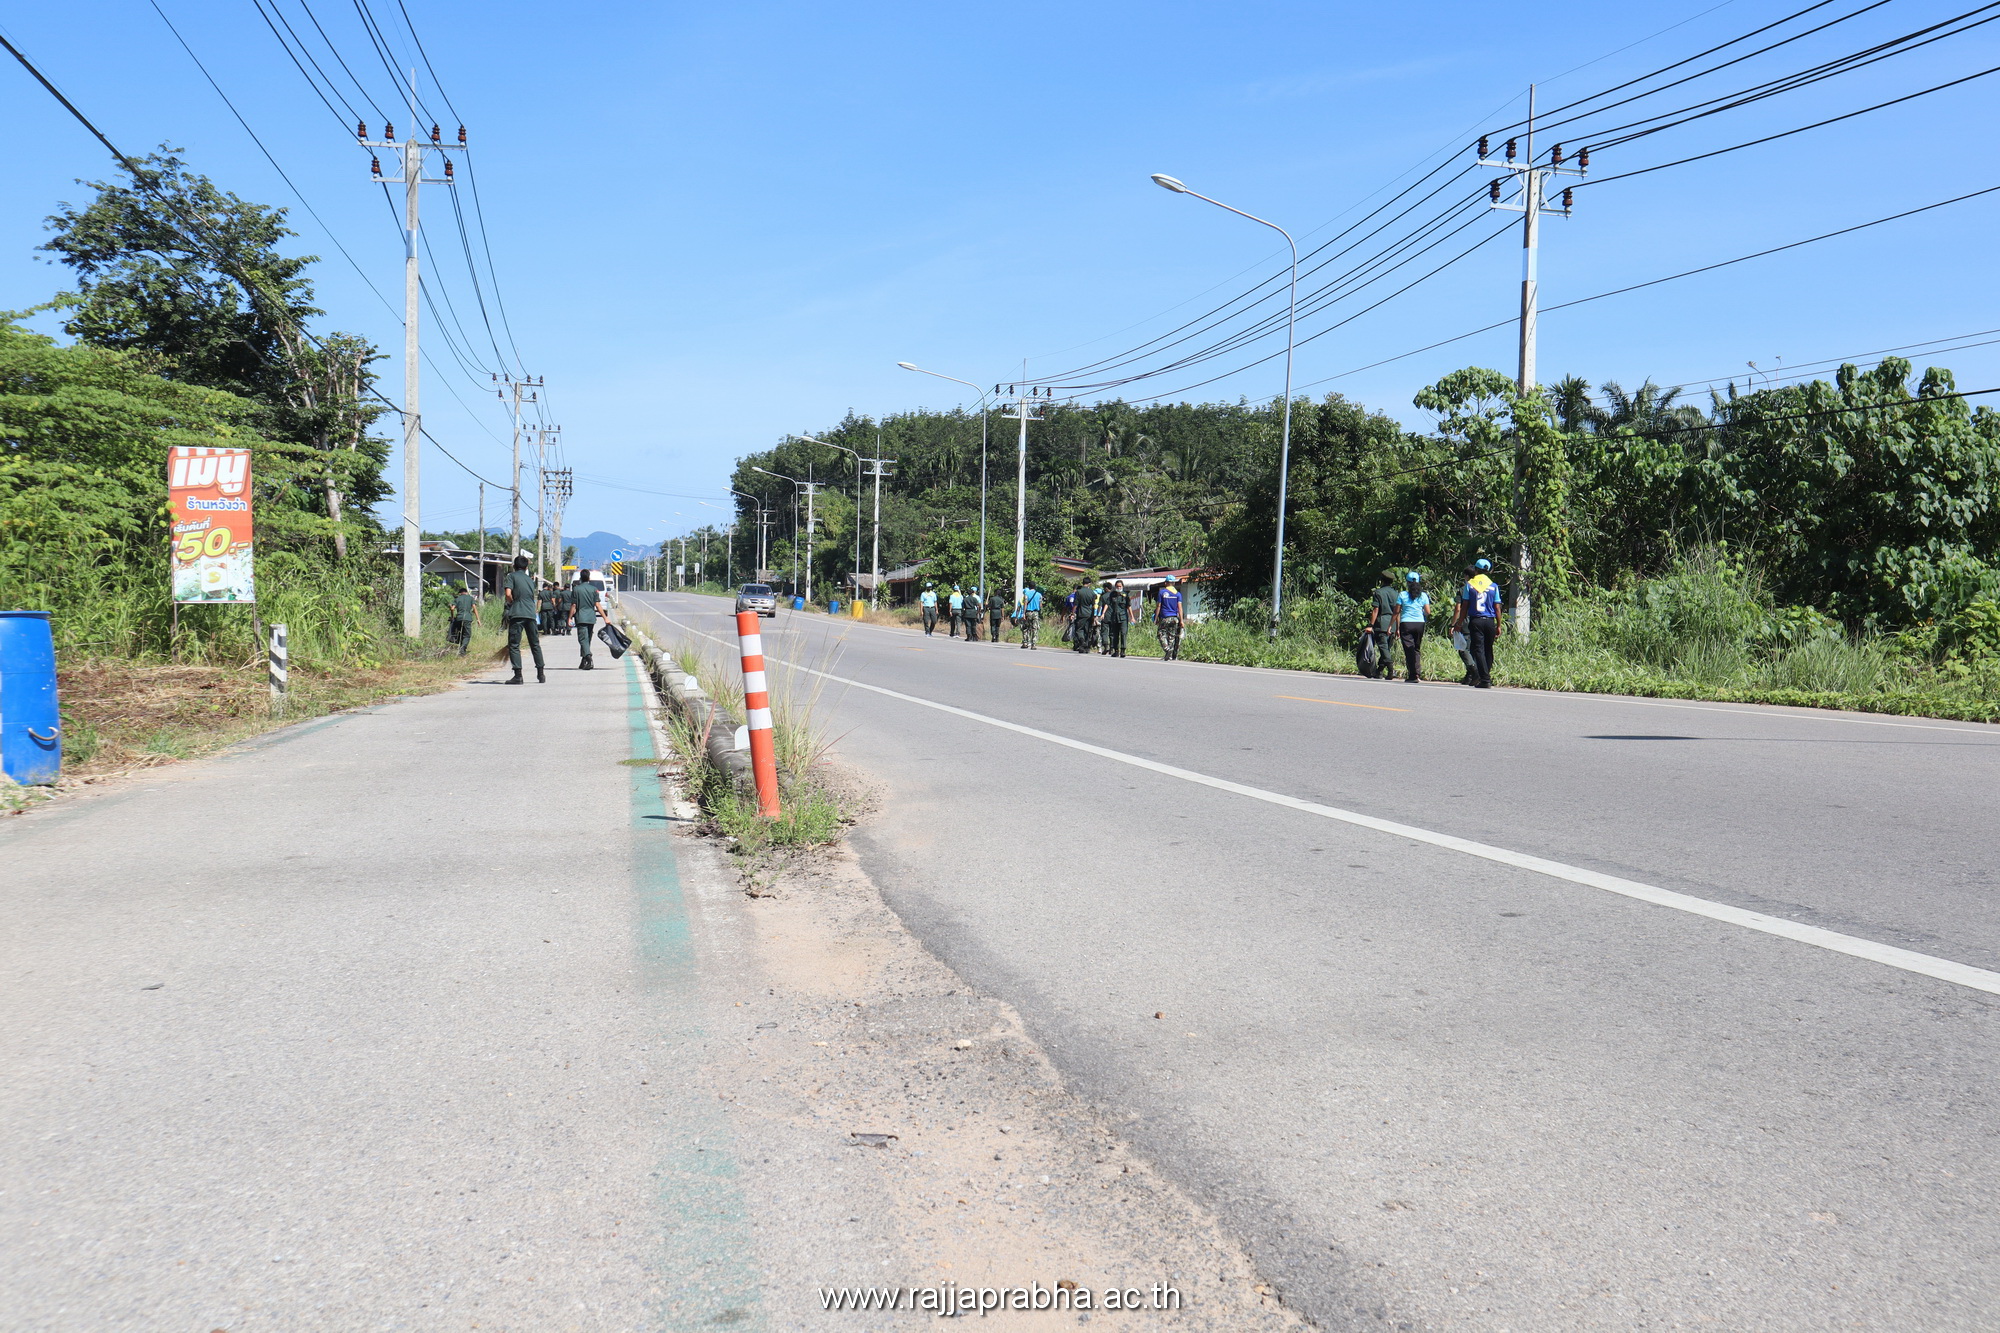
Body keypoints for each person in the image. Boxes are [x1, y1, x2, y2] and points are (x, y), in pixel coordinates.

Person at [1453, 557, 1503, 688]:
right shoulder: (1493, 586)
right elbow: (1497, 607)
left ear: (1475, 570)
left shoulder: (1470, 585)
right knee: (1488, 649)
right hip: (1490, 621)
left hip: (1476, 620)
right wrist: (1499, 625)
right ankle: (1486, 676)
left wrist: (1459, 623)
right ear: (1489, 571)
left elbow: (1464, 606)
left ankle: (1484, 679)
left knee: (1478, 650)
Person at [502, 554, 545, 684]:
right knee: (535, 644)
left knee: (514, 645)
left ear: (514, 566)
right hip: (531, 613)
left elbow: (508, 594)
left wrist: (512, 602)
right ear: (526, 567)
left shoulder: (511, 576)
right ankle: (541, 674)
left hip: (517, 613)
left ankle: (518, 675)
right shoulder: (530, 580)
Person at [1364, 568, 1401, 679]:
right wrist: (1398, 627)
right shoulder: (1396, 594)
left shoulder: (1378, 592)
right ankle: (1379, 671)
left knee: (1384, 648)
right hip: (1392, 624)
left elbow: (1376, 609)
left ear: (1382, 580)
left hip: (1382, 624)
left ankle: (1391, 669)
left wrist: (1370, 625)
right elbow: (1398, 612)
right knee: (1386, 649)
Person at [1396, 570, 1431, 683]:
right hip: (1420, 623)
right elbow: (1428, 612)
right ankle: (1417, 673)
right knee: (1416, 648)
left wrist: (1395, 626)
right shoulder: (1423, 595)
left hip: (1406, 623)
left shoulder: (1402, 595)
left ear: (1407, 582)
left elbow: (1397, 612)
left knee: (1408, 649)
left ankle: (1413, 674)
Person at [570, 568, 605, 670]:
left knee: (583, 639)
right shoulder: (594, 589)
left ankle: (588, 658)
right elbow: (598, 605)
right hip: (591, 618)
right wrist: (605, 618)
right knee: (587, 639)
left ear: (580, 578)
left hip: (581, 617)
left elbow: (573, 605)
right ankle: (584, 660)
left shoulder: (576, 589)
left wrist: (569, 617)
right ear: (589, 578)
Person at [1156, 578, 1185, 661]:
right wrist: (1181, 620)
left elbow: (1158, 606)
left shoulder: (1162, 592)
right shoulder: (1178, 594)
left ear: (1166, 583)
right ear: (1174, 583)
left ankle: (1167, 649)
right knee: (1171, 636)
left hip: (1165, 617)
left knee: (1161, 634)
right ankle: (1170, 655)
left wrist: (1156, 618)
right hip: (1175, 618)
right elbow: (1180, 608)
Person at [1101, 579, 1131, 657]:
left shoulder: (1126, 595)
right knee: (1115, 634)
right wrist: (1103, 613)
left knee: (1123, 633)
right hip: (1114, 617)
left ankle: (1123, 650)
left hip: (1123, 618)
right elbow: (1107, 604)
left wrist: (1132, 617)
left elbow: (1129, 606)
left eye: (1120, 586)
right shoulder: (1112, 595)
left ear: (1122, 586)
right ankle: (1116, 650)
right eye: (1117, 586)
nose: (1119, 588)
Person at [1071, 582, 1100, 653]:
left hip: (1081, 613)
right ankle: (1086, 647)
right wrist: (1094, 615)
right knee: (1087, 630)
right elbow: (1093, 605)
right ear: (1089, 583)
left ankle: (1082, 641)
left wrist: (1073, 613)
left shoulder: (1079, 592)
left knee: (1079, 629)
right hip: (1089, 613)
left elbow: (1076, 604)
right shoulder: (1092, 592)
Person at [448, 586, 476, 656]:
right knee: (467, 635)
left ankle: (461, 650)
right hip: (467, 618)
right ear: (466, 592)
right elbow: (474, 608)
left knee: (460, 634)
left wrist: (452, 617)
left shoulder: (457, 599)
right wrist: (478, 619)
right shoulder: (470, 598)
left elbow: (452, 609)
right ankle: (462, 649)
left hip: (459, 618)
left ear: (460, 593)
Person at [1016, 584, 1043, 649]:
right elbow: (1040, 605)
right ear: (1035, 587)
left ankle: (1025, 643)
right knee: (1035, 628)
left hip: (1028, 612)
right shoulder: (1039, 595)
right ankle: (1033, 644)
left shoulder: (1026, 594)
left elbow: (1025, 603)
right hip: (1035, 613)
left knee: (1025, 628)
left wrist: (1024, 613)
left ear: (1029, 587)